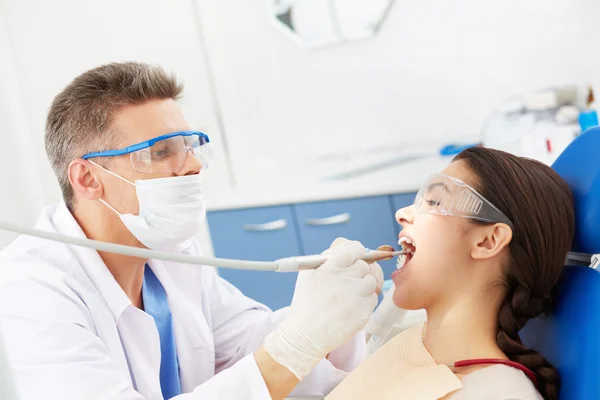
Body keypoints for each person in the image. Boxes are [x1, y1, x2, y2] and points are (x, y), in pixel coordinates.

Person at [0, 62, 384, 400]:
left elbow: (250, 345)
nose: (192, 166)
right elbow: (280, 357)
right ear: (87, 178)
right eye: (160, 151)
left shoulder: (171, 254)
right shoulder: (29, 292)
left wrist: (333, 317)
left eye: (189, 145)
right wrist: (298, 343)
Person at [327, 147, 574, 400]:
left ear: (488, 241)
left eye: (434, 201)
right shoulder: (408, 344)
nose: (402, 214)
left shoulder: (499, 393)